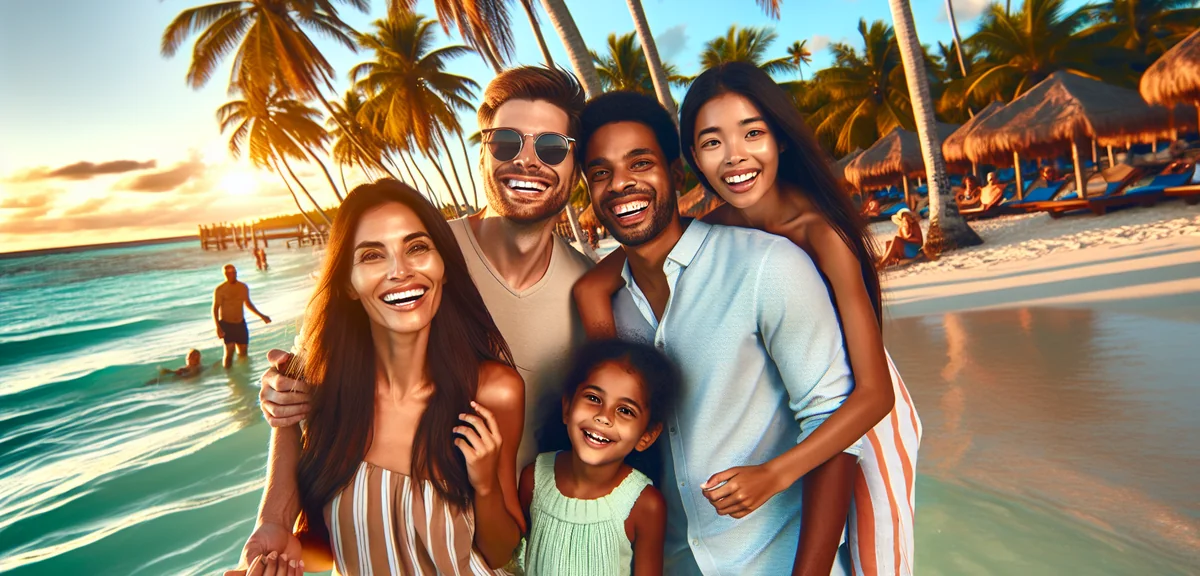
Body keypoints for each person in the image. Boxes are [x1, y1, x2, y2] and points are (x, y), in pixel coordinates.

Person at [240, 66, 596, 572]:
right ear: (483, 150)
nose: (527, 160)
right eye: (507, 142)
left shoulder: (592, 290)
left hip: (521, 542)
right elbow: (305, 378)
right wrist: (279, 391)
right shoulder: (423, 249)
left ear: (575, 163)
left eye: (552, 148)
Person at [575, 65, 921, 575]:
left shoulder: (818, 234)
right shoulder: (723, 221)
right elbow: (622, 264)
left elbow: (871, 397)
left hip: (871, 405)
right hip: (823, 380)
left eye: (752, 132)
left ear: (780, 138)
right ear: (693, 159)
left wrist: (775, 474)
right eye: (713, 142)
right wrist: (602, 329)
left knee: (881, 557)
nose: (735, 156)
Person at [228, 181, 526, 576]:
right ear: (348, 284)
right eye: (372, 255)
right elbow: (317, 538)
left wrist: (486, 485)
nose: (400, 271)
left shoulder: (491, 391)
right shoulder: (313, 388)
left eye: (417, 248)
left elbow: (501, 554)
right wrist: (281, 552)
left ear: (443, 267)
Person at [519, 339, 675, 576]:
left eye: (625, 410)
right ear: (567, 407)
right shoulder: (534, 478)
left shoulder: (645, 505)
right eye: (593, 398)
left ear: (647, 436)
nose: (604, 417)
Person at [213, 264, 272, 368]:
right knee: (229, 352)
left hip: (240, 324)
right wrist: (218, 327)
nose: (233, 275)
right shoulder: (220, 289)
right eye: (230, 273)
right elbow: (215, 308)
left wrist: (262, 316)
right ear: (225, 274)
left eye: (235, 272)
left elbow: (248, 304)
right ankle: (229, 378)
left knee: (243, 353)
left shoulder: (242, 287)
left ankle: (243, 375)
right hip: (227, 324)